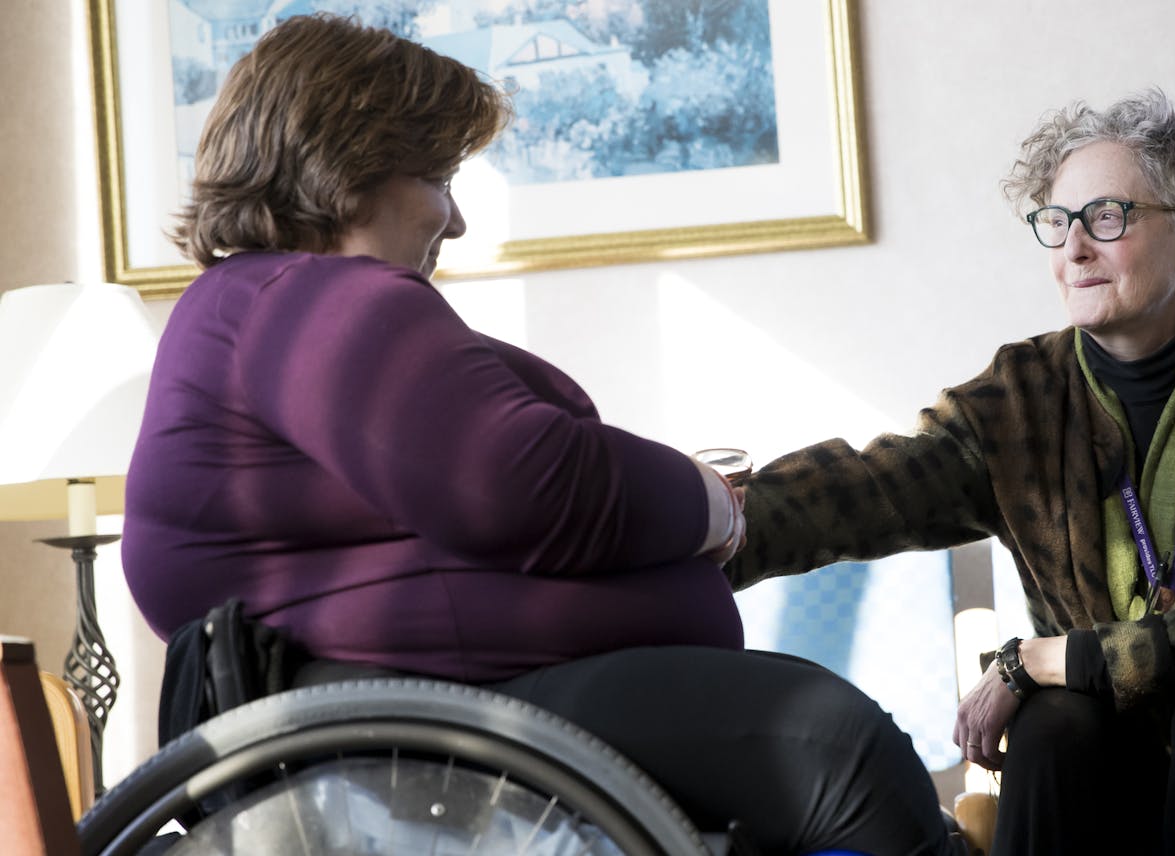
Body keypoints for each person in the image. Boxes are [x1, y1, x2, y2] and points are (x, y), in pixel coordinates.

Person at [121, 14, 956, 856]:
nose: (454, 222)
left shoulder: (263, 308)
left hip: (437, 716)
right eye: (439, 177)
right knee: (842, 752)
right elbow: (517, 483)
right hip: (434, 732)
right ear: (349, 164)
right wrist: (711, 505)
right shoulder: (312, 302)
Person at [727, 88, 1175, 856]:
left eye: (1107, 217)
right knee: (1048, 728)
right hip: (1116, 702)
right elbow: (871, 489)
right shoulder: (1020, 395)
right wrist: (710, 522)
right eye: (1057, 222)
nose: (1074, 248)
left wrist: (1046, 658)